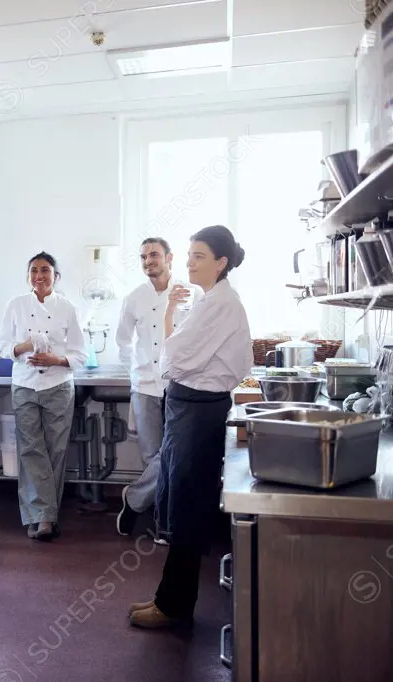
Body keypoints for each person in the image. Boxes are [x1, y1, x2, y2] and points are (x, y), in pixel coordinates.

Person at [129, 225, 252, 629]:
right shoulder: (210, 300)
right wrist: (170, 326)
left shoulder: (219, 303)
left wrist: (170, 338)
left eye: (198, 256)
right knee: (180, 499)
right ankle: (170, 599)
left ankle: (174, 607)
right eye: (189, 254)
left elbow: (176, 358)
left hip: (198, 410)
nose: (188, 262)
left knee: (187, 503)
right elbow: (175, 353)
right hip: (190, 406)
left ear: (221, 262)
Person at [0, 252, 88, 541]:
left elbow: (80, 354)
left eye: (45, 270)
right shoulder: (16, 305)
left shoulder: (68, 308)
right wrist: (23, 346)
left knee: (55, 451)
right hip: (24, 385)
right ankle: (45, 518)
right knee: (30, 449)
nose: (39, 275)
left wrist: (56, 360)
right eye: (34, 270)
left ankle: (42, 516)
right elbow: (0, 346)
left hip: (58, 386)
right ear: (28, 276)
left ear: (56, 276)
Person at [114, 238, 201, 539]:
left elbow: (197, 337)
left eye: (154, 254)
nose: (148, 260)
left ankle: (134, 499)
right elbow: (122, 341)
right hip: (145, 386)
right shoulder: (134, 298)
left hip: (178, 384)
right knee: (153, 455)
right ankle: (162, 523)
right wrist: (134, 372)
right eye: (143, 256)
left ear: (169, 258)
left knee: (173, 454)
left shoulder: (191, 292)